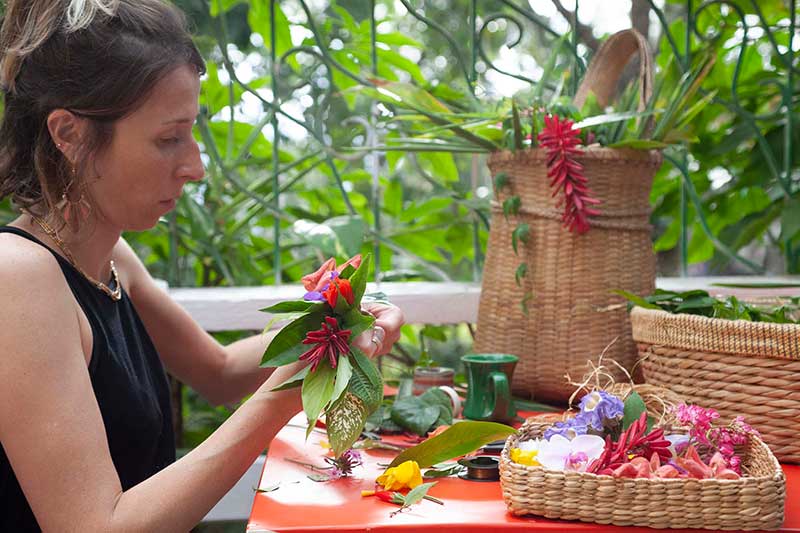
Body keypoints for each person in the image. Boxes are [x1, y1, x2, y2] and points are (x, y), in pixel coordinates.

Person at [0, 1, 404, 531]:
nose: (196, 167)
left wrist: (331, 325)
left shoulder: (108, 256)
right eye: (169, 139)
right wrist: (292, 388)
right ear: (69, 135)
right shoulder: (18, 278)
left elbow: (217, 372)